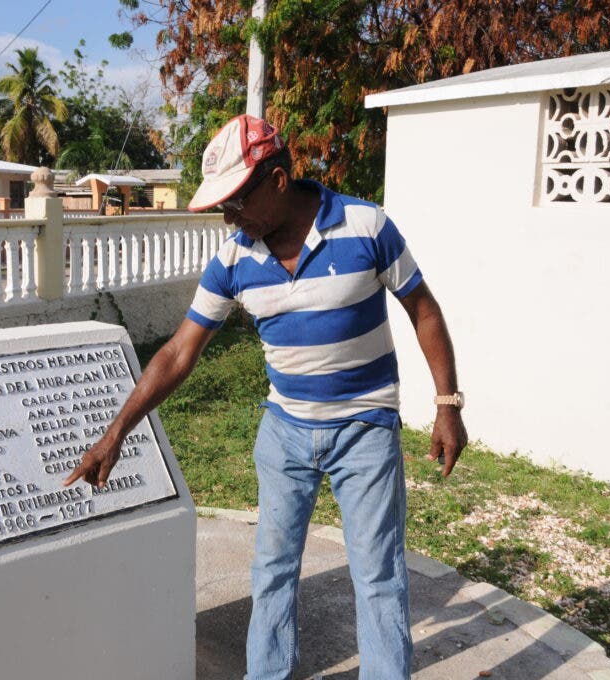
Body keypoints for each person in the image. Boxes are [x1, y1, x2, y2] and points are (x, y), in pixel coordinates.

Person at [64, 114, 468, 680]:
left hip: (365, 428)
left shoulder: (366, 226)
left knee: (378, 574)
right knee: (272, 569)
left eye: (235, 201)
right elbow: (179, 351)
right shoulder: (234, 259)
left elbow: (422, 309)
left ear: (277, 180)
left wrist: (447, 404)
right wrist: (116, 433)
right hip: (285, 433)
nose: (228, 217)